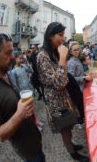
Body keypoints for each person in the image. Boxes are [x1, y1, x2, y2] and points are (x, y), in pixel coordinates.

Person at [0, 33, 44, 161]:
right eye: (8, 53)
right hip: (27, 151)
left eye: (12, 52)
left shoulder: (8, 74)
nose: (13, 57)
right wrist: (20, 114)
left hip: (36, 139)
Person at [37, 22, 88, 161]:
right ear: (50, 36)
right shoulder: (42, 56)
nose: (63, 39)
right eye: (60, 35)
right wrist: (62, 59)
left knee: (69, 126)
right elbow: (59, 82)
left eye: (63, 35)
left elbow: (63, 78)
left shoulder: (52, 53)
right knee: (65, 130)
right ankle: (73, 154)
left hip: (63, 98)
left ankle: (72, 144)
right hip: (56, 102)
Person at [11, 51, 44, 131]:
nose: (21, 60)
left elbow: (32, 71)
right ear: (15, 59)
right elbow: (15, 85)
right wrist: (19, 94)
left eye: (22, 58)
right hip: (23, 94)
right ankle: (34, 125)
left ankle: (35, 121)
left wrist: (26, 63)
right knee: (28, 110)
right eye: (20, 58)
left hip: (29, 90)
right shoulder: (14, 71)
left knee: (32, 108)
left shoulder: (23, 66)